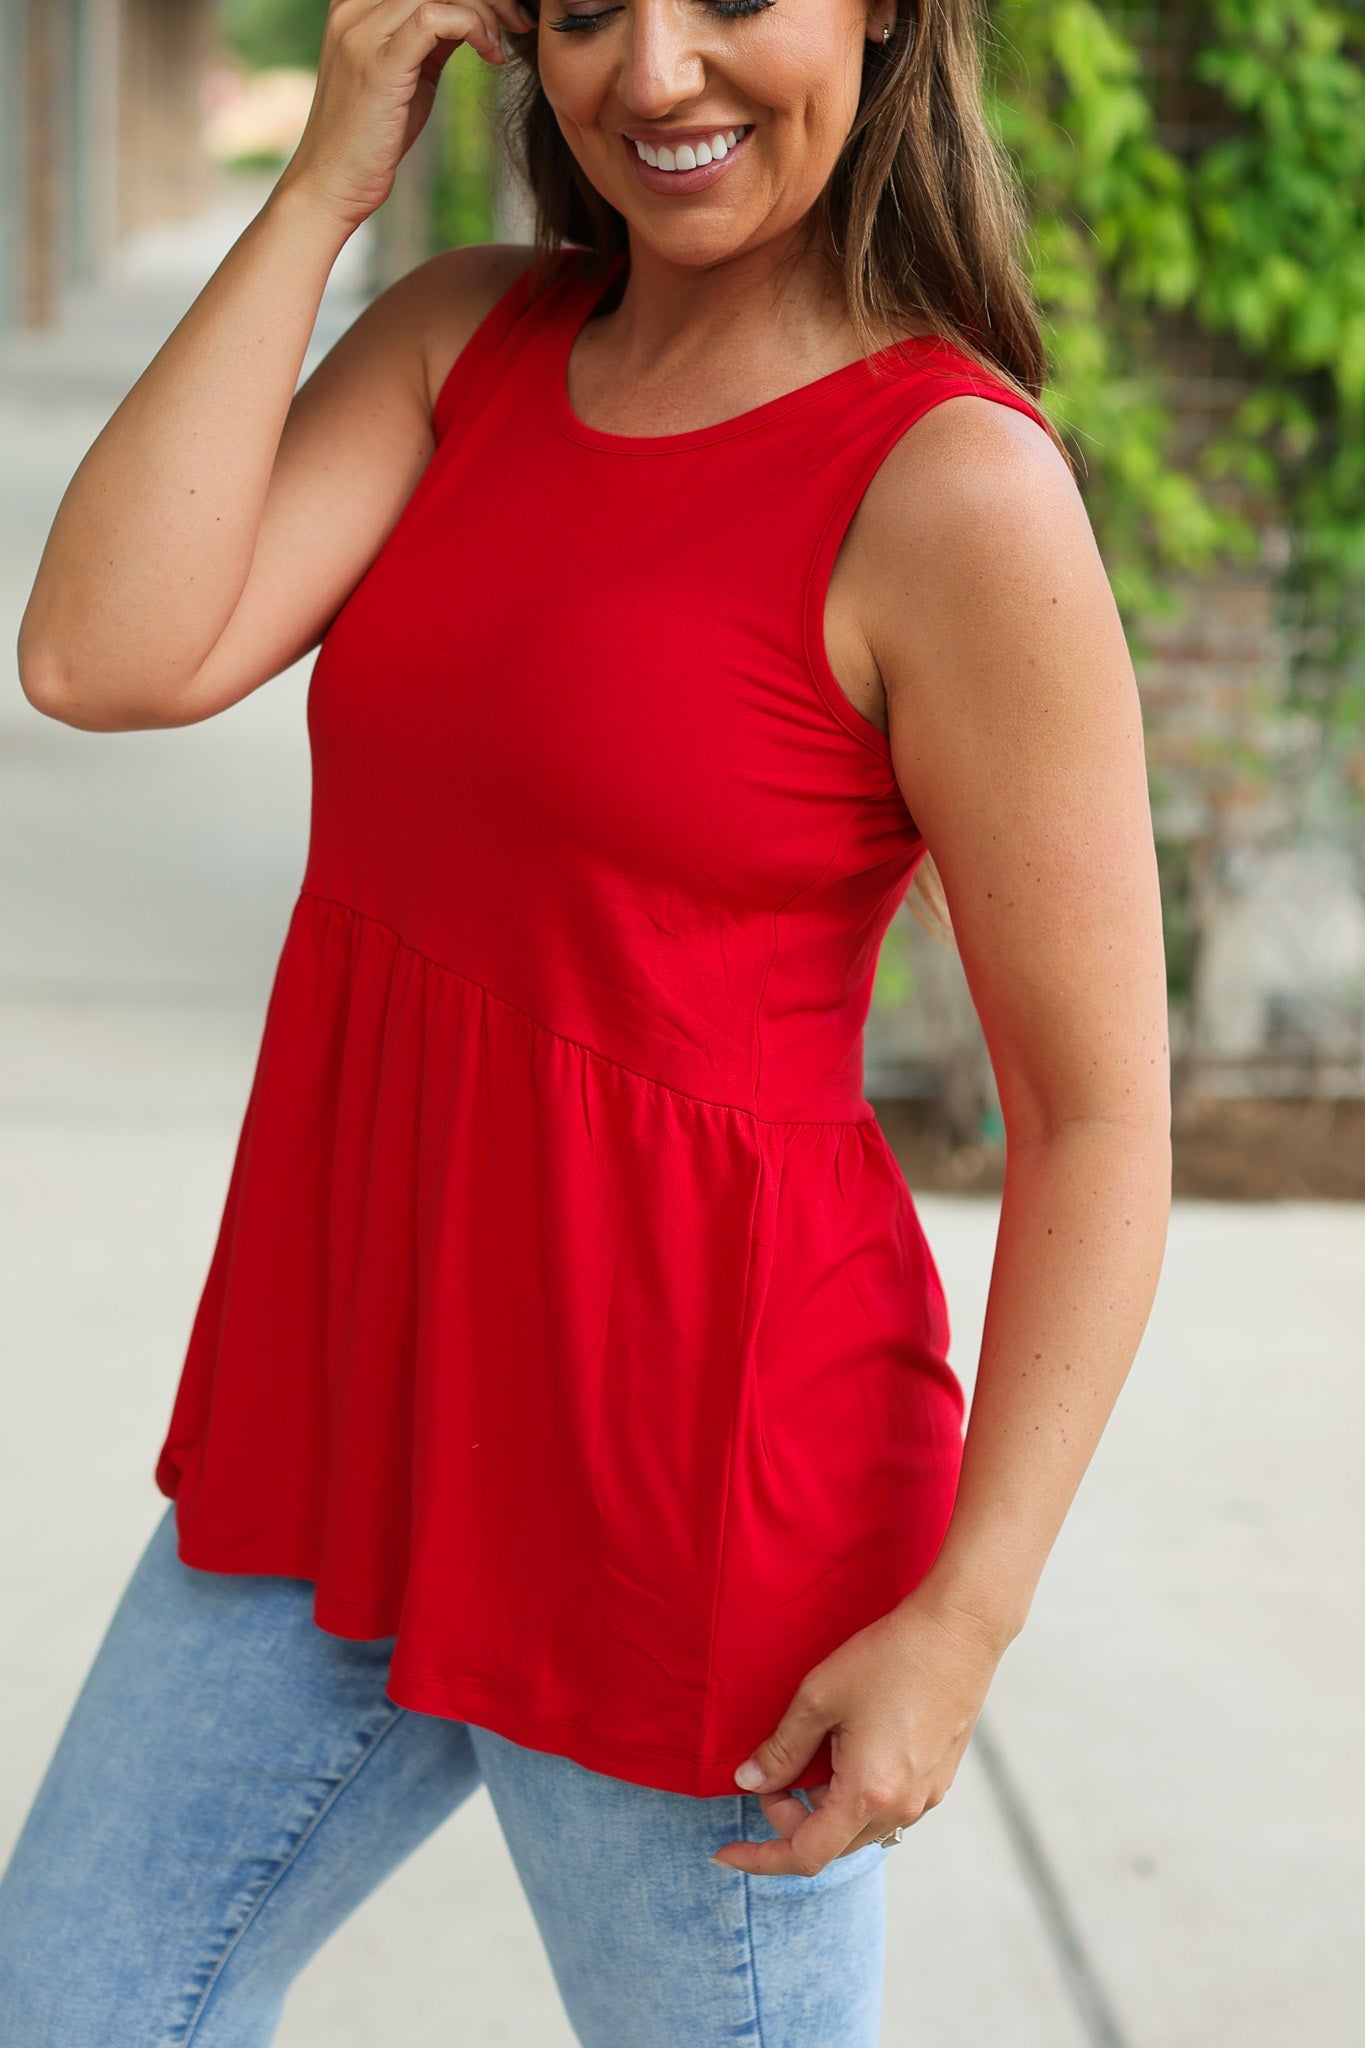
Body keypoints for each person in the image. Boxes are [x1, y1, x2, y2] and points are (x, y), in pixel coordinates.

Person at [2, 1, 1172, 2042]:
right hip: (343, 1412)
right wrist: (324, 182)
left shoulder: (952, 490)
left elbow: (1094, 1118)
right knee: (73, 1994)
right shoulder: (467, 346)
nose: (652, 74)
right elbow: (103, 653)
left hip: (684, 1507)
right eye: (581, 11)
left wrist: (959, 1624)